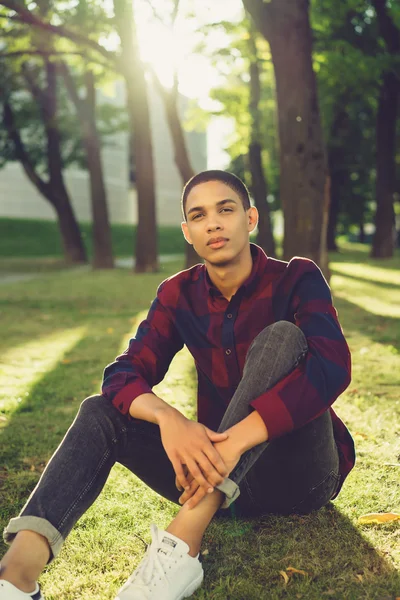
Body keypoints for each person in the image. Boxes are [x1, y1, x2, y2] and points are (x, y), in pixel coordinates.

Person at [0, 170, 355, 600]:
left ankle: (182, 545)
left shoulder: (296, 278)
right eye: (199, 215)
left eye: (226, 209)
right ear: (188, 232)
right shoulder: (178, 293)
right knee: (101, 411)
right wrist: (169, 419)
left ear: (251, 218)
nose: (214, 223)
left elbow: (331, 365)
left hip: (302, 475)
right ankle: (17, 575)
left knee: (282, 338)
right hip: (215, 476)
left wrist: (232, 445)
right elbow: (124, 374)